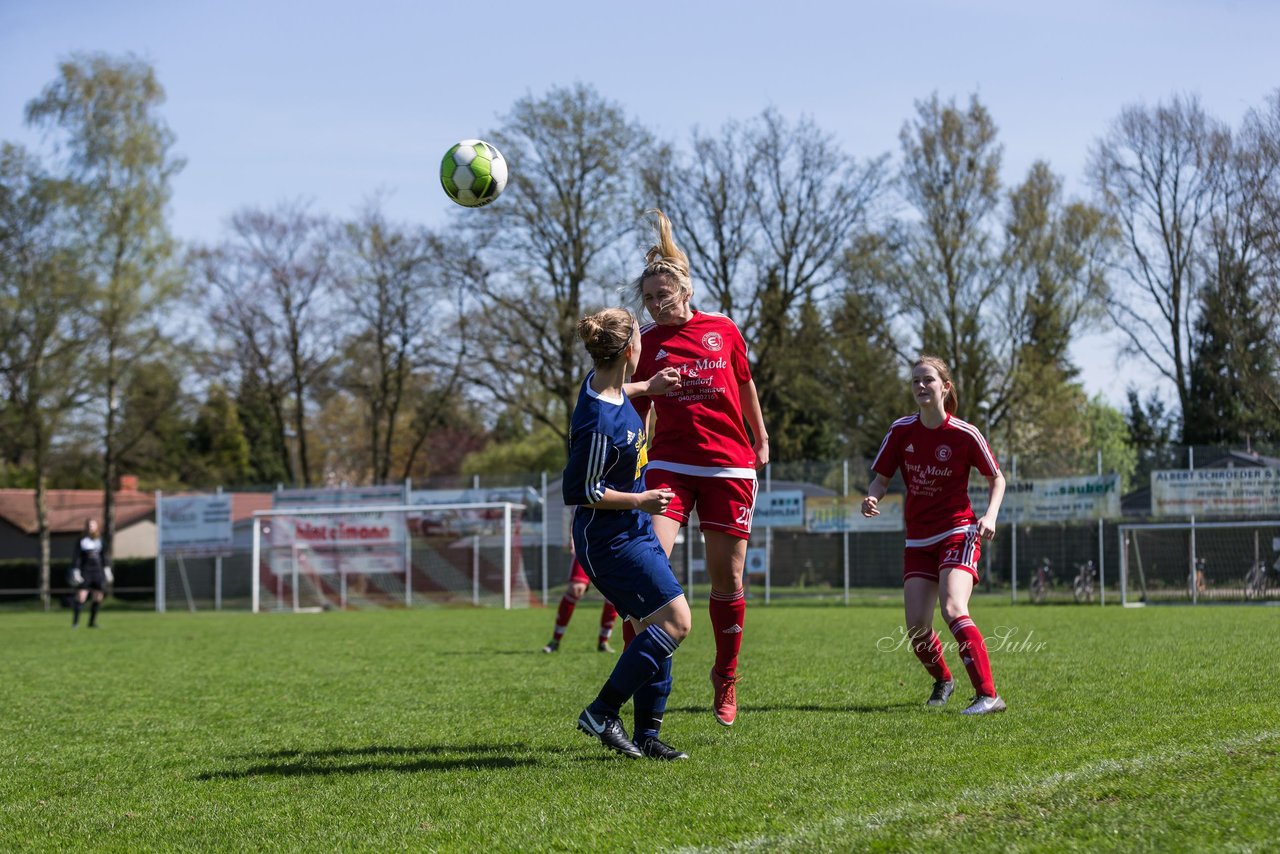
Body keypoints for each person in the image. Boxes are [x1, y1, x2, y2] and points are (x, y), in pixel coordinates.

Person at [629, 210, 768, 727]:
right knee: (646, 571)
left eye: (662, 295)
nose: (655, 304)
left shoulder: (723, 330)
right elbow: (633, 405)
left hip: (729, 466)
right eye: (647, 298)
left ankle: (725, 675)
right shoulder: (645, 342)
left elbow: (746, 383)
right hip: (667, 465)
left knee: (726, 579)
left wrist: (762, 436)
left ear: (685, 291)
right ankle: (638, 679)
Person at [563, 307, 692, 761]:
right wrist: (641, 500)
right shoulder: (599, 421)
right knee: (676, 622)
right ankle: (602, 711)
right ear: (631, 349)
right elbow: (581, 490)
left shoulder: (609, 388)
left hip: (632, 533)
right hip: (610, 542)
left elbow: (619, 394)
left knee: (653, 625)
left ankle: (647, 734)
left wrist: (649, 387)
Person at [862, 355, 1007, 714]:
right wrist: (871, 496)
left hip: (958, 531)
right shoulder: (900, 431)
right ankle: (944, 679)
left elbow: (996, 478)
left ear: (945, 386)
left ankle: (989, 695)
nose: (920, 386)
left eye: (927, 380)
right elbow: (880, 479)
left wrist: (990, 515)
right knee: (916, 627)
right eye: (915, 381)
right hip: (918, 539)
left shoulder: (965, 433)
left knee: (953, 607)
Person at [542, 551, 619, 654]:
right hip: (587, 543)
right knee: (576, 588)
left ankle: (603, 641)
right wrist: (572, 538)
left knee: (615, 591)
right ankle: (555, 640)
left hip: (614, 545)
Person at [70, 519, 111, 629]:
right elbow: (77, 557)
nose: (90, 527)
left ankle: (92, 623)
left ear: (96, 527)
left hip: (98, 572)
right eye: (89, 525)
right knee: (81, 596)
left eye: (92, 525)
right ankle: (75, 623)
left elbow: (104, 556)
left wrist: (107, 569)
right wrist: (76, 570)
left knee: (98, 597)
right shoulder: (81, 540)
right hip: (85, 571)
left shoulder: (100, 540)